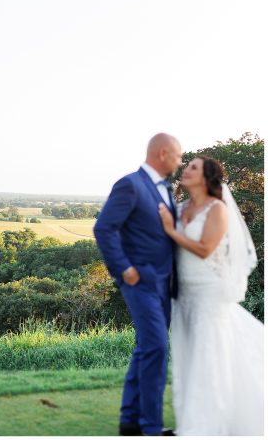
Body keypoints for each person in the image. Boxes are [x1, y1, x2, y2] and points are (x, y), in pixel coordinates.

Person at [156, 156, 263, 435]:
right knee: (189, 355)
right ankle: (192, 420)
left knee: (209, 356)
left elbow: (204, 248)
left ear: (206, 177)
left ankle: (208, 426)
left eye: (193, 167)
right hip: (183, 293)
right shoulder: (178, 208)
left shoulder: (218, 209)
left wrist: (170, 229)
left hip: (209, 292)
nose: (185, 170)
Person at [93, 132, 182, 436]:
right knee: (156, 346)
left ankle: (129, 421)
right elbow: (104, 227)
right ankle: (151, 428)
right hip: (140, 281)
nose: (180, 161)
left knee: (145, 348)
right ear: (162, 153)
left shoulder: (164, 189)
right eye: (178, 155)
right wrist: (124, 269)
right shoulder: (130, 184)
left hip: (164, 284)